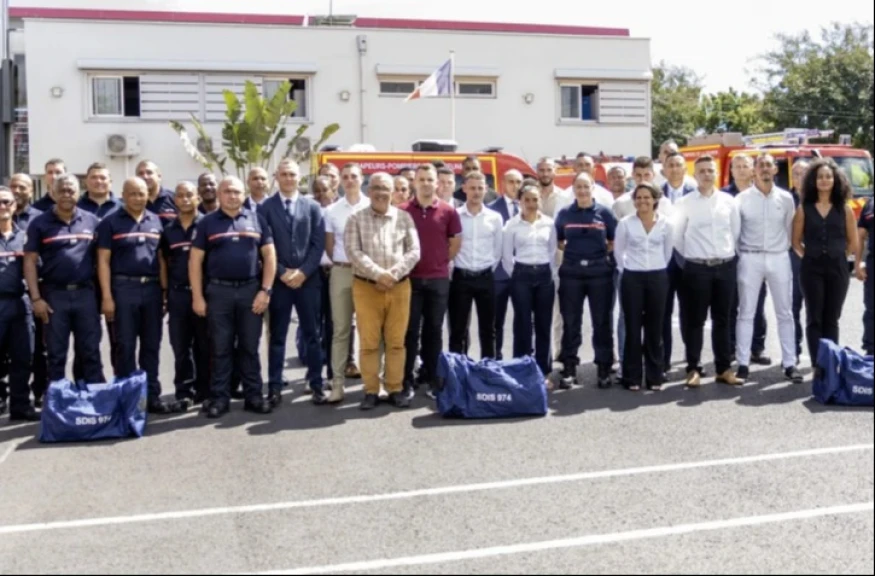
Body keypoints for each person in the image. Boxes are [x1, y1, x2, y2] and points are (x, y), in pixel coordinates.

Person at [189, 176, 277, 418]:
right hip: (219, 292)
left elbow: (270, 256)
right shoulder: (207, 223)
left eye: (237, 192)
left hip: (251, 291)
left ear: (243, 194)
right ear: (219, 194)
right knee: (221, 347)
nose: (232, 196)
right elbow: (195, 261)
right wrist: (197, 296)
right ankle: (220, 398)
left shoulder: (257, 219)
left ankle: (254, 396)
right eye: (227, 191)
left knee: (250, 346)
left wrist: (265, 290)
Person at [344, 172, 421, 410]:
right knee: (369, 343)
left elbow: (414, 251)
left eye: (385, 188)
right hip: (367, 287)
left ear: (392, 192)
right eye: (376, 188)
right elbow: (353, 251)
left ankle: (394, 388)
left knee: (396, 342)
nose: (380, 193)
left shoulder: (404, 218)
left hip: (399, 287)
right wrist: (379, 274)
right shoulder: (356, 218)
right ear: (369, 191)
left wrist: (392, 275)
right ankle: (371, 390)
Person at [97, 177, 171, 413]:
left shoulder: (156, 221)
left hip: (152, 290)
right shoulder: (110, 222)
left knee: (151, 345)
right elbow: (103, 261)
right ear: (123, 195)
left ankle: (151, 397)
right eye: (133, 194)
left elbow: (161, 259)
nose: (138, 198)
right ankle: (127, 399)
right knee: (125, 346)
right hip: (123, 289)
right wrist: (107, 296)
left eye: (142, 193)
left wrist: (164, 291)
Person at [23, 174, 105, 385]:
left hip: (86, 294)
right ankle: (58, 400)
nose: (67, 195)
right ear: (52, 192)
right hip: (54, 295)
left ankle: (93, 398)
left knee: (90, 352)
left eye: (71, 190)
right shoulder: (39, 223)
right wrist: (36, 298)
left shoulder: (92, 221)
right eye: (62, 191)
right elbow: (30, 261)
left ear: (79, 193)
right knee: (56, 353)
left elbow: (102, 259)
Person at [258, 159, 326, 406]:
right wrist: (282, 273)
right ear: (277, 177)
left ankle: (316, 384)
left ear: (300, 178)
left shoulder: (313, 207)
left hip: (308, 282)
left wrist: (303, 273)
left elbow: (318, 244)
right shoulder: (265, 208)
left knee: (312, 335)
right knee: (277, 337)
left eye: (292, 174)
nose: (288, 178)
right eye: (284, 174)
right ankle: (275, 387)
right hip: (280, 283)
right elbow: (264, 245)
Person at [672, 156, 742, 387]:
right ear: (695, 175)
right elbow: (677, 237)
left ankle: (723, 369)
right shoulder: (684, 203)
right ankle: (693, 369)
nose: (706, 174)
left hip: (725, 266)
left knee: (723, 319)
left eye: (710, 170)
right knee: (695, 321)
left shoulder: (729, 201)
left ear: (716, 172)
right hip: (697, 268)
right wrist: (693, 257)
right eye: (701, 171)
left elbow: (735, 232)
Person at [733, 154, 802, 384]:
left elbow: (790, 229)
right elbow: (736, 233)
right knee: (746, 312)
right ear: (754, 170)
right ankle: (743, 363)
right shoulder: (741, 199)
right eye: (760, 165)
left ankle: (790, 363)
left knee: (785, 312)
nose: (764, 168)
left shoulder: (786, 198)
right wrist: (743, 256)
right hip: (750, 257)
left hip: (778, 256)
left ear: (775, 170)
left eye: (768, 165)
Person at [401, 164, 462, 398]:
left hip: (438, 280)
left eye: (430, 179)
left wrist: (440, 261)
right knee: (409, 332)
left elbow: (455, 243)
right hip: (410, 280)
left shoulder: (448, 211)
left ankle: (433, 379)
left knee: (434, 331)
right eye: (422, 179)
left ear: (437, 183)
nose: (426, 183)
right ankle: (407, 381)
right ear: (414, 182)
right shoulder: (402, 211)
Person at [554, 172, 617, 389]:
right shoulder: (564, 214)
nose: (582, 191)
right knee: (571, 322)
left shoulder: (604, 213)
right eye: (578, 187)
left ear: (593, 188)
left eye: (586, 186)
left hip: (599, 273)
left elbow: (613, 240)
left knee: (602, 322)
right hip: (571, 273)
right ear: (573, 189)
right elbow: (559, 240)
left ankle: (604, 368)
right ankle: (569, 367)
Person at [792, 159, 859, 365]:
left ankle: (830, 363)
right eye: (820, 176)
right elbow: (795, 241)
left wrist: (838, 255)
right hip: (811, 269)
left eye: (828, 176)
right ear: (813, 180)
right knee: (814, 317)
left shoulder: (844, 209)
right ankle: (817, 365)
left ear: (835, 180)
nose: (824, 180)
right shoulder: (804, 208)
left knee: (832, 318)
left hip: (837, 268)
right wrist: (810, 256)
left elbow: (853, 242)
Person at [614, 183, 674, 391]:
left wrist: (657, 268)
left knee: (655, 328)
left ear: (655, 199)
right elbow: (619, 252)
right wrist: (628, 269)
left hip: (658, 277)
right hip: (632, 277)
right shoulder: (625, 223)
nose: (642, 201)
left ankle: (654, 376)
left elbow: (667, 252)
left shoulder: (666, 223)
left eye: (647, 197)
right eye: (638, 197)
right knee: (632, 327)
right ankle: (632, 377)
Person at [502, 180, 557, 385]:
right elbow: (506, 256)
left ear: (540, 201)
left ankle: (543, 372)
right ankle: (521, 370)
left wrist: (550, 273)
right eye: (527, 200)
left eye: (535, 199)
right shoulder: (511, 225)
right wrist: (517, 274)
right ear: (520, 202)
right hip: (521, 276)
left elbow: (552, 252)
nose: (532, 204)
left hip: (544, 276)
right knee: (522, 324)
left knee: (544, 325)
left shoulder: (549, 224)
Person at [324, 163, 370, 403]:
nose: (350, 180)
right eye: (346, 176)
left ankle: (373, 384)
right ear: (340, 181)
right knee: (340, 330)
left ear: (362, 179)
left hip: (367, 273)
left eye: (354, 176)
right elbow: (330, 246)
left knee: (369, 331)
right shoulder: (332, 211)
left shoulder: (372, 206)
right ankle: (338, 385)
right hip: (341, 271)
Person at [161, 181, 210, 406]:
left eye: (190, 194)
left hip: (204, 293)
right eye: (180, 195)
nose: (185, 199)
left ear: (198, 198)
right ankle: (184, 391)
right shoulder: (168, 230)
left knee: (205, 344)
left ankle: (205, 391)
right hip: (178, 294)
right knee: (180, 346)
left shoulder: (208, 225)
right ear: (175, 200)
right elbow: (163, 261)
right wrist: (165, 292)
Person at [449, 171, 503, 359]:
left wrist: (485, 269)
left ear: (486, 189)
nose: (476, 192)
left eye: (480, 188)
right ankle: (457, 369)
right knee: (458, 329)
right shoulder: (455, 215)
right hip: (461, 278)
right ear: (464, 188)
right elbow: (450, 246)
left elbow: (497, 250)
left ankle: (488, 369)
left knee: (488, 329)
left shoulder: (495, 218)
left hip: (485, 277)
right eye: (472, 188)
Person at [724, 154, 771, 366]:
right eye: (738, 166)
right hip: (730, 258)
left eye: (746, 166)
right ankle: (731, 347)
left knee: (757, 305)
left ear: (753, 170)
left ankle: (756, 348)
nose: (742, 170)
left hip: (756, 256)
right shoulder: (723, 196)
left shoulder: (761, 193)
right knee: (731, 304)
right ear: (731, 170)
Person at [8, 174, 47, 406]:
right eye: (13, 186)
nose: (16, 190)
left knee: (33, 350)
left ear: (31, 191)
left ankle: (36, 394)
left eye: (22, 187)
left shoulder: (39, 220)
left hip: (31, 294)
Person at [0, 188, 38, 420]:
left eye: (6, 202)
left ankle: (21, 405)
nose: (2, 206)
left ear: (14, 206)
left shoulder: (25, 238)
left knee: (23, 357)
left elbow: (37, 268)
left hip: (20, 304)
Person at [487, 169, 522, 360]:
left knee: (523, 320)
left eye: (518, 182)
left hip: (522, 274)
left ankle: (520, 360)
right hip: (498, 275)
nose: (515, 186)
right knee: (495, 321)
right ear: (502, 183)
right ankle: (495, 359)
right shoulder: (491, 210)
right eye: (511, 182)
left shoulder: (528, 207)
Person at [789, 160, 810, 361]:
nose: (800, 177)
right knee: (792, 308)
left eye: (804, 173)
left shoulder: (819, 198)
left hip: (815, 260)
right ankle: (793, 351)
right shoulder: (784, 198)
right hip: (791, 260)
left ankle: (819, 353)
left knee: (815, 309)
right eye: (796, 173)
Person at [856, 197, 874, 356]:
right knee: (871, 309)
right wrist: (858, 263)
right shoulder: (869, 205)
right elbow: (860, 236)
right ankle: (871, 351)